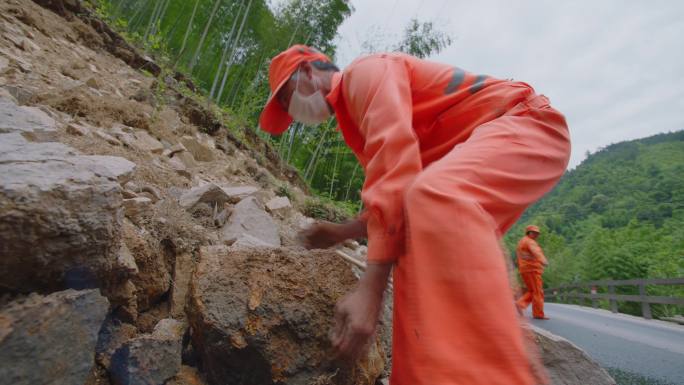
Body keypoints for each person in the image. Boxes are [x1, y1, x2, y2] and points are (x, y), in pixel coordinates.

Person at [259, 44, 570, 385]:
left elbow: (396, 170)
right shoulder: (353, 118)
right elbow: (395, 200)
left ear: (306, 72)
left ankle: (507, 375)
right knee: (413, 243)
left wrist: (371, 291)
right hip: (488, 147)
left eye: (288, 100)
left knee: (435, 196)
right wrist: (343, 232)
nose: (294, 114)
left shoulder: (363, 73)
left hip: (525, 122)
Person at [515, 225, 550, 320]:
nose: (536, 234)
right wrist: (544, 261)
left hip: (524, 269)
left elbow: (519, 257)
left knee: (532, 291)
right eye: (534, 232)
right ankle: (538, 314)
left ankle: (519, 304)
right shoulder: (530, 242)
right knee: (538, 292)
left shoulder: (521, 242)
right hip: (532, 270)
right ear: (528, 232)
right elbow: (537, 252)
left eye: (537, 233)